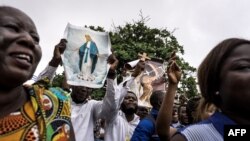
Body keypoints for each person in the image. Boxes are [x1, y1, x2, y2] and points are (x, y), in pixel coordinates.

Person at [0, 6, 75, 140]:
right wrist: (55, 60)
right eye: (12, 28)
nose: (29, 40)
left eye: (35, 39)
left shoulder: (54, 105)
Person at [159, 38, 250, 141]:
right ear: (215, 82)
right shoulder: (192, 137)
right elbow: (163, 131)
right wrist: (173, 85)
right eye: (244, 67)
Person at [37, 38, 119, 141]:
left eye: (89, 87)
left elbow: (110, 110)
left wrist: (111, 75)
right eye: (81, 84)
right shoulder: (59, 100)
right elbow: (36, 93)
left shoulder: (92, 106)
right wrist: (55, 61)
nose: (84, 89)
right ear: (73, 84)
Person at [100, 60, 145, 141]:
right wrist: (133, 75)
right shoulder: (113, 117)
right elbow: (113, 99)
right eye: (127, 98)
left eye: (134, 99)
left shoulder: (140, 124)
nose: (131, 99)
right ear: (120, 102)